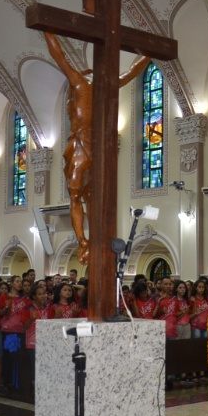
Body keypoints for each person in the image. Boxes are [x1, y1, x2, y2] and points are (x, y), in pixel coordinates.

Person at [43, 30, 150, 264]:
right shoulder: (108, 85)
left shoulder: (78, 82)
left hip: (81, 145)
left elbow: (58, 54)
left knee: (75, 196)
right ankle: (92, 239)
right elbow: (133, 71)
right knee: (91, 196)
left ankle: (83, 240)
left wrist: (46, 29)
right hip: (99, 148)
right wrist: (149, 53)